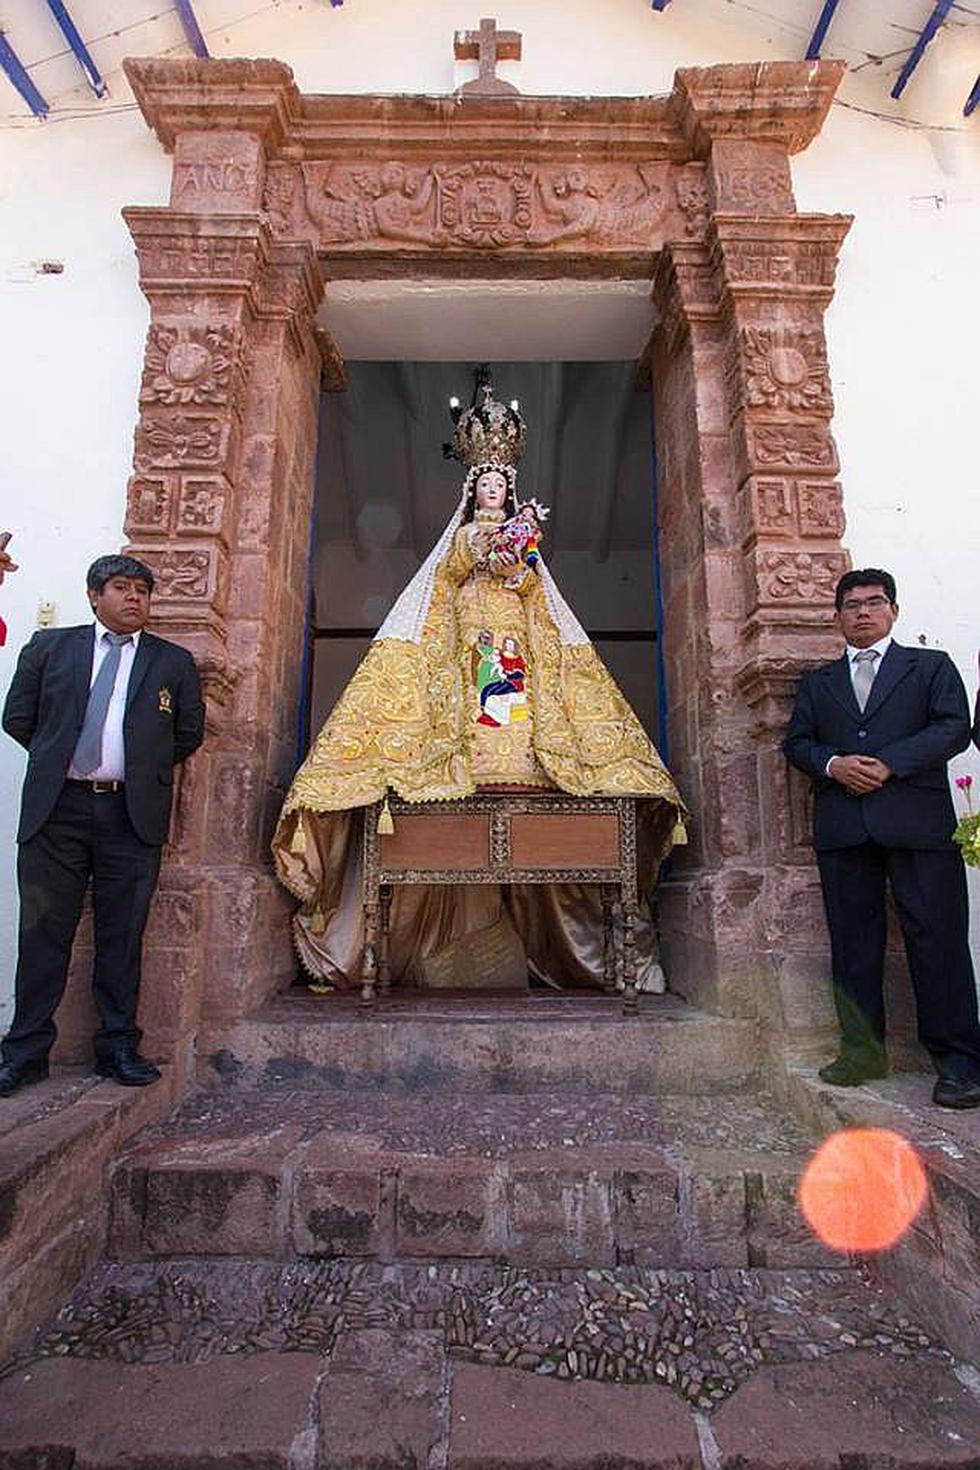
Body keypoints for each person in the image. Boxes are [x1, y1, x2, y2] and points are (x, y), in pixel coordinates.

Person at [273, 377, 686, 989]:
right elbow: (457, 567)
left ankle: (528, 760)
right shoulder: (463, 537)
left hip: (512, 636)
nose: (493, 492)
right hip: (471, 633)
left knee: (514, 694)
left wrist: (518, 557)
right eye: (485, 486)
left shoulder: (524, 543)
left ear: (510, 491)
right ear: (472, 491)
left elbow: (528, 586)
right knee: (478, 689)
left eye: (501, 486)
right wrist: (486, 549)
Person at [0, 555, 205, 1095]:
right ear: (95, 595)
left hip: (129, 816)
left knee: (122, 935)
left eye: (142, 590)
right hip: (57, 811)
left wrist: (134, 773)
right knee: (43, 932)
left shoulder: (172, 662)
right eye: (120, 588)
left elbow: (187, 734)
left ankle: (117, 1047)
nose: (133, 598)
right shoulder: (50, 649)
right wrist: (60, 761)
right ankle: (24, 1052)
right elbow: (17, 718)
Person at [783, 567, 980, 1109]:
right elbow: (797, 742)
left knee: (937, 941)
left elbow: (952, 728)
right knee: (853, 946)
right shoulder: (818, 682)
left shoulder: (930, 667)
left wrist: (889, 764)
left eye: (874, 603)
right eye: (851, 605)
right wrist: (834, 763)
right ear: (837, 616)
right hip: (846, 829)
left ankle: (960, 1062)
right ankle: (862, 1052)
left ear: (893, 610)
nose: (863, 612)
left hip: (919, 826)